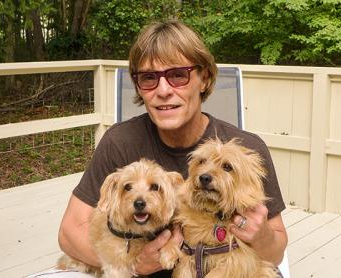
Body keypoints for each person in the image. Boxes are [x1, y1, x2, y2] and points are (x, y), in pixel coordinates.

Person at [58, 19, 288, 277]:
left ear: (204, 79)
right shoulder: (119, 142)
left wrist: (263, 236)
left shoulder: (246, 151)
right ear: (139, 88)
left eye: (178, 75)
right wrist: (132, 265)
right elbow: (69, 233)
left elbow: (276, 253)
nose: (163, 91)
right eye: (149, 78)